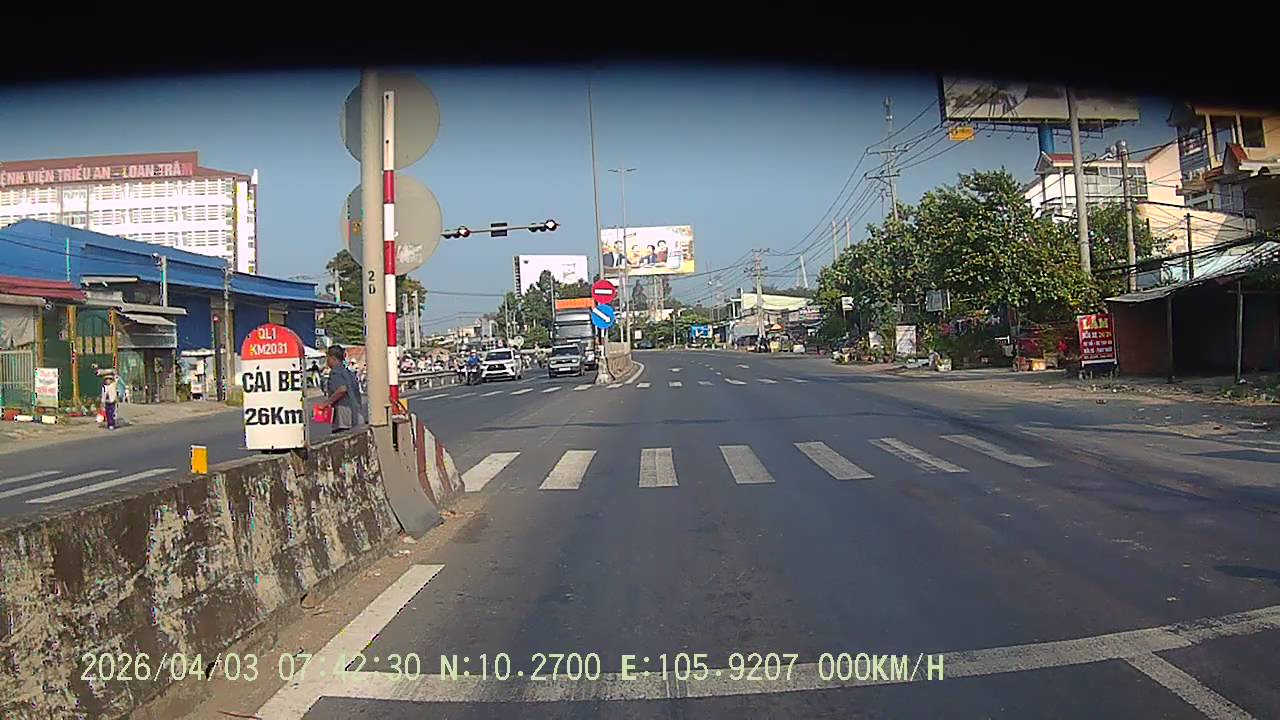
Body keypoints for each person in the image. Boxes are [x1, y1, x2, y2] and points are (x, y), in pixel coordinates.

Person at [320, 345, 364, 434]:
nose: (327, 361)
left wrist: (326, 403)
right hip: (355, 412)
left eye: (327, 358)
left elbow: (342, 389)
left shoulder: (336, 372)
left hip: (343, 414)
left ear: (333, 358)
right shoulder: (350, 372)